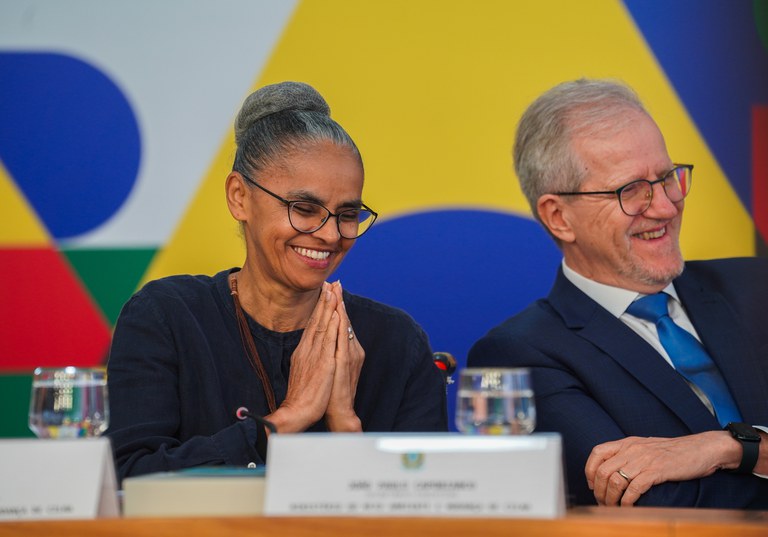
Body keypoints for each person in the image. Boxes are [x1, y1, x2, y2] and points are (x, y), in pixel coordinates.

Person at [106, 81, 448, 482]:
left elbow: (425, 499)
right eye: (304, 208)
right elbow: (129, 480)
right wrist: (287, 419)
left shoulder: (396, 341)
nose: (330, 235)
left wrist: (346, 428)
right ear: (239, 197)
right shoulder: (168, 317)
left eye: (347, 215)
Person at [467, 78, 768, 508]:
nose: (665, 206)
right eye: (631, 191)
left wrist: (729, 448)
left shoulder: (758, 286)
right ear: (559, 217)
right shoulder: (520, 354)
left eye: (667, 178)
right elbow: (656, 504)